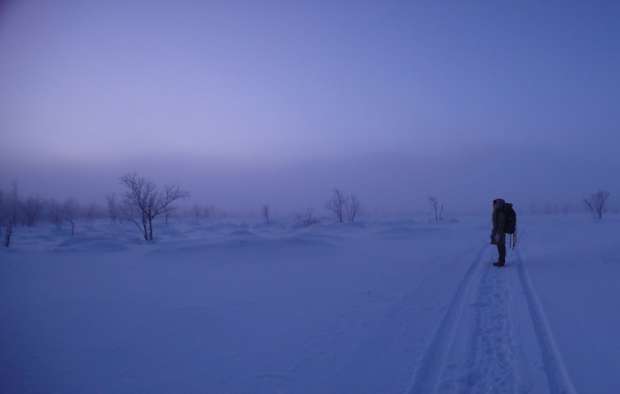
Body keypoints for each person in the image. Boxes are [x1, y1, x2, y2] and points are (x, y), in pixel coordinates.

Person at [491, 198, 507, 267]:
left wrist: (498, 233)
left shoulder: (500, 212)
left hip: (499, 232)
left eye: (494, 204)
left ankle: (501, 261)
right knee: (500, 246)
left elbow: (500, 223)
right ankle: (501, 260)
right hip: (498, 231)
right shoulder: (498, 211)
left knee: (501, 246)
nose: (493, 205)